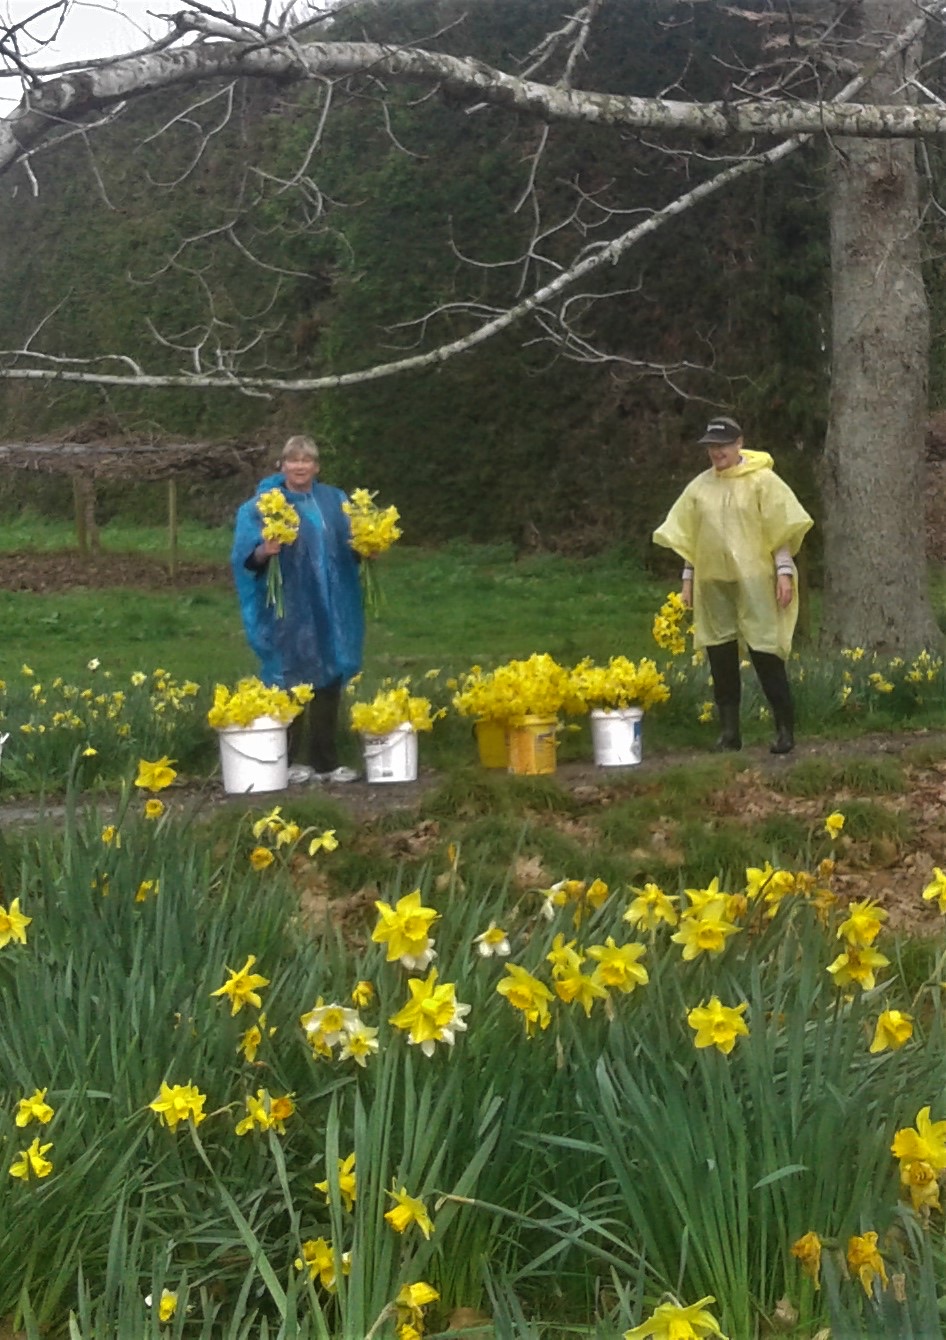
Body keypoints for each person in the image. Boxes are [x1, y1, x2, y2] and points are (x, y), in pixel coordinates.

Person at [653, 416, 813, 754]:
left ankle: (785, 731)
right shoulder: (699, 488)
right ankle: (730, 734)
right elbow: (691, 538)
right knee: (719, 654)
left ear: (739, 443)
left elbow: (779, 529)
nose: (716, 452)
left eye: (722, 445)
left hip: (756, 579)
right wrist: (688, 580)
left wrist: (784, 571)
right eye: (711, 446)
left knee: (765, 651)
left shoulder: (762, 482)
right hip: (713, 582)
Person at [232, 435, 364, 783]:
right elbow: (246, 556)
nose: (300, 466)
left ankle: (326, 761)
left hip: (331, 602)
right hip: (286, 604)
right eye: (293, 460)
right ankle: (287, 760)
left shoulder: (334, 501)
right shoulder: (262, 504)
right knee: (290, 673)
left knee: (330, 673)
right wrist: (264, 551)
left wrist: (368, 547)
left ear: (316, 467)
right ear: (282, 465)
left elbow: (349, 545)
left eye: (307, 460)